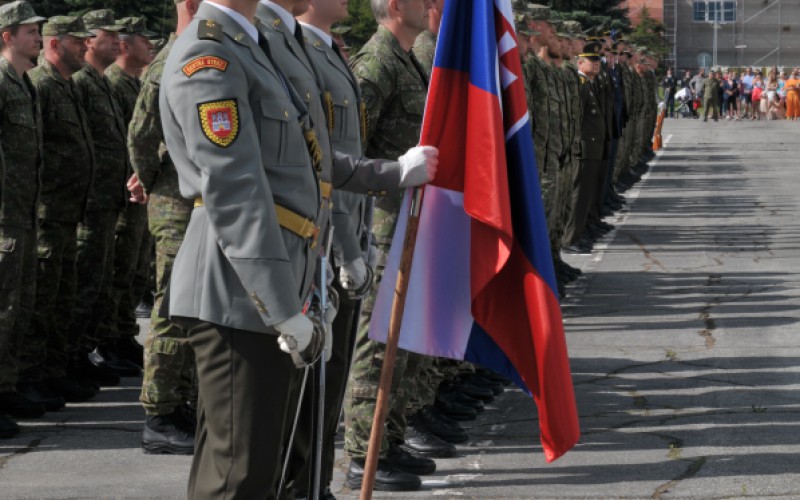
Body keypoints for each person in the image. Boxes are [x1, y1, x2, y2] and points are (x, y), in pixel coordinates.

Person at [160, 0, 436, 496]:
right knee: (238, 476)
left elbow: (312, 161)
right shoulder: (209, 56)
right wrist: (283, 308)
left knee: (265, 466)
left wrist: (391, 173)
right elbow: (234, 189)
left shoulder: (256, 46)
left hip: (281, 275)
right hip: (238, 290)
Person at [128, 0, 204, 456]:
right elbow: (140, 133)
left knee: (193, 305)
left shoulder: (197, 49)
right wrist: (154, 179)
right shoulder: (172, 56)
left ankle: (182, 404)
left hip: (194, 199)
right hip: (174, 202)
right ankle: (159, 414)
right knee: (173, 305)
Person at [68, 9, 135, 387]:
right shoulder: (79, 82)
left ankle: (89, 350)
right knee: (83, 284)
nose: (116, 43)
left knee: (101, 281)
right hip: (84, 203)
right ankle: (71, 358)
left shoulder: (101, 83)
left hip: (107, 200)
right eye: (108, 37)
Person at [0, 0, 47, 438]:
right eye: (30, 31)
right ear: (7, 36)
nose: (39, 38)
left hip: (23, 217)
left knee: (17, 310)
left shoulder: (24, 84)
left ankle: (7, 388)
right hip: (3, 221)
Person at [100, 16, 157, 370]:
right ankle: (105, 342)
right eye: (143, 39)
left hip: (131, 197)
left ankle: (120, 336)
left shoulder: (133, 84)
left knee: (133, 273)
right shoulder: (113, 84)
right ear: (125, 45)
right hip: (113, 198)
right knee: (116, 272)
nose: (150, 45)